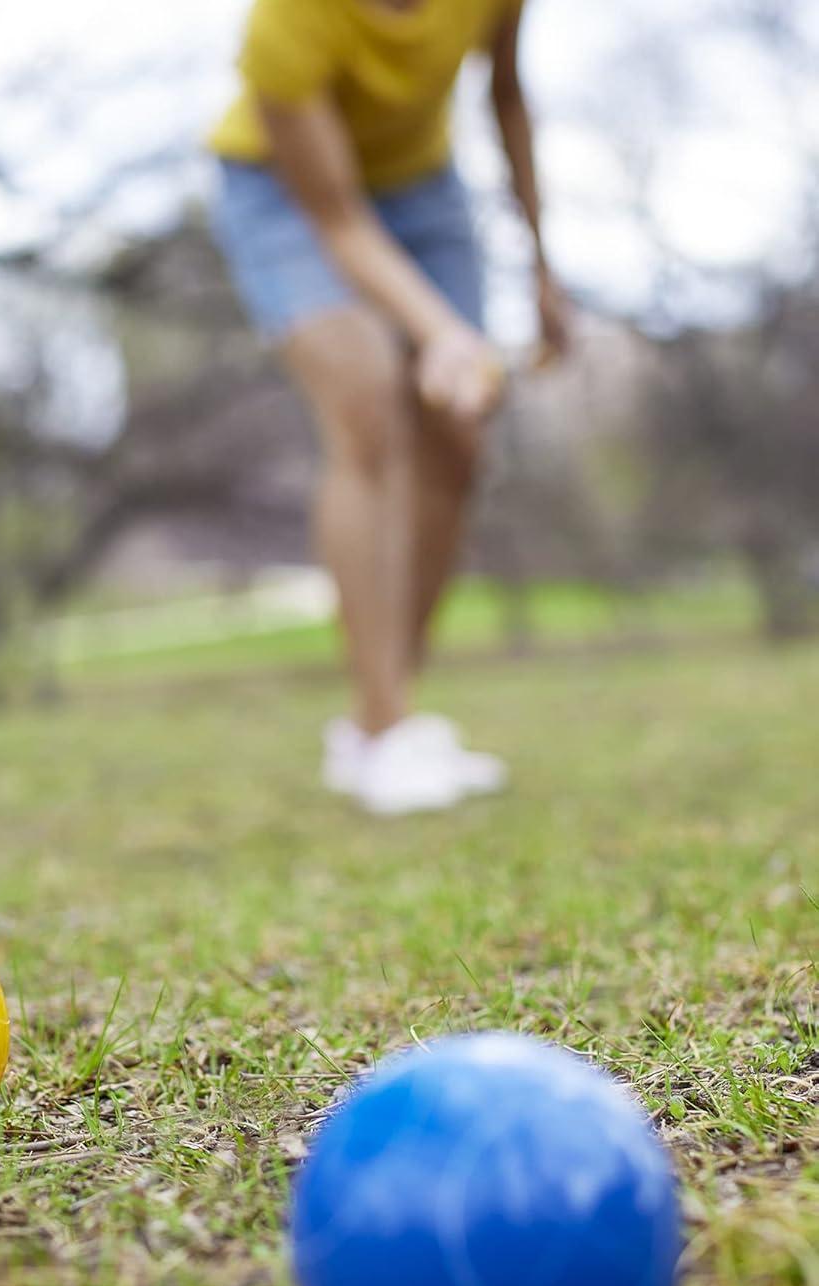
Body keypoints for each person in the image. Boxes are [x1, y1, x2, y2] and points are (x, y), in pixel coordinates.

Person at [209, 0, 570, 815]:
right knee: (368, 400)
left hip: (424, 185)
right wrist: (439, 332)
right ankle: (384, 727)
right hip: (284, 193)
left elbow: (506, 94)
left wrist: (542, 266)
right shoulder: (286, 23)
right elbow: (337, 219)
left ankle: (383, 721)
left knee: (458, 436)